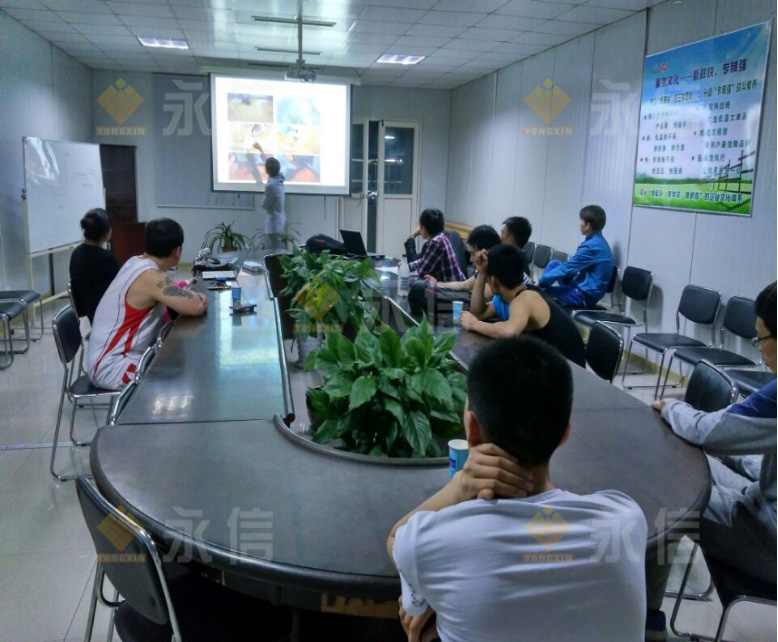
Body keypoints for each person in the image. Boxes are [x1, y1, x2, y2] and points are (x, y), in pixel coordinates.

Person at [388, 336, 647, 642]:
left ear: (472, 430)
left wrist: (459, 487)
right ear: (564, 434)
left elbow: (396, 539)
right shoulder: (625, 520)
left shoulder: (428, 542)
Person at [644, 282, 776, 641]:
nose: (760, 350)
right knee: (696, 461)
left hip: (771, 541)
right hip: (767, 502)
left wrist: (673, 407)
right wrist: (733, 456)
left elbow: (709, 429)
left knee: (667, 498)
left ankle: (648, 623)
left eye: (761, 339)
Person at [87, 218, 208, 390]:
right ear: (177, 251)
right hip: (112, 366)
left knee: (177, 367)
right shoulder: (151, 277)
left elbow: (171, 290)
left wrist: (187, 293)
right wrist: (195, 297)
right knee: (181, 381)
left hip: (114, 358)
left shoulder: (135, 262)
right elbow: (195, 306)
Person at [460, 244, 586, 367]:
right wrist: (482, 273)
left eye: (486, 279)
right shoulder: (514, 296)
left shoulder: (527, 298)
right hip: (553, 363)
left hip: (572, 372)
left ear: (493, 281)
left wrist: (474, 324)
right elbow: (479, 313)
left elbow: (508, 332)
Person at [537, 205, 613, 308]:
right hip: (581, 285)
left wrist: (540, 281)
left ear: (587, 226)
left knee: (543, 294)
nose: (579, 223)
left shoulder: (592, 247)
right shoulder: (596, 241)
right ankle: (539, 289)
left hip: (584, 296)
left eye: (581, 220)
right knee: (554, 264)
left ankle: (538, 291)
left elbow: (566, 268)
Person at [69, 208, 120, 324]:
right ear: (106, 234)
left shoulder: (76, 254)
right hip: (108, 315)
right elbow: (122, 286)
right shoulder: (106, 258)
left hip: (90, 313)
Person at [423, 224, 500, 292]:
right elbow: (463, 285)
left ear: (485, 253)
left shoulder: (497, 276)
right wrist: (436, 284)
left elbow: (477, 299)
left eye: (473, 254)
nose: (470, 259)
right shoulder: (483, 270)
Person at [403, 208, 465, 284]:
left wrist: (405, 269)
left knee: (414, 284)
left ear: (423, 228)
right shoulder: (442, 238)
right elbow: (423, 262)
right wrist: (406, 266)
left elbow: (422, 272)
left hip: (453, 289)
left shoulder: (438, 242)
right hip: (451, 285)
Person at [262, 156, 286, 249]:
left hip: (273, 224)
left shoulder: (271, 185)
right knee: (276, 247)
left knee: (273, 250)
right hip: (279, 221)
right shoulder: (279, 180)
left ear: (267, 170)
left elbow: (265, 205)